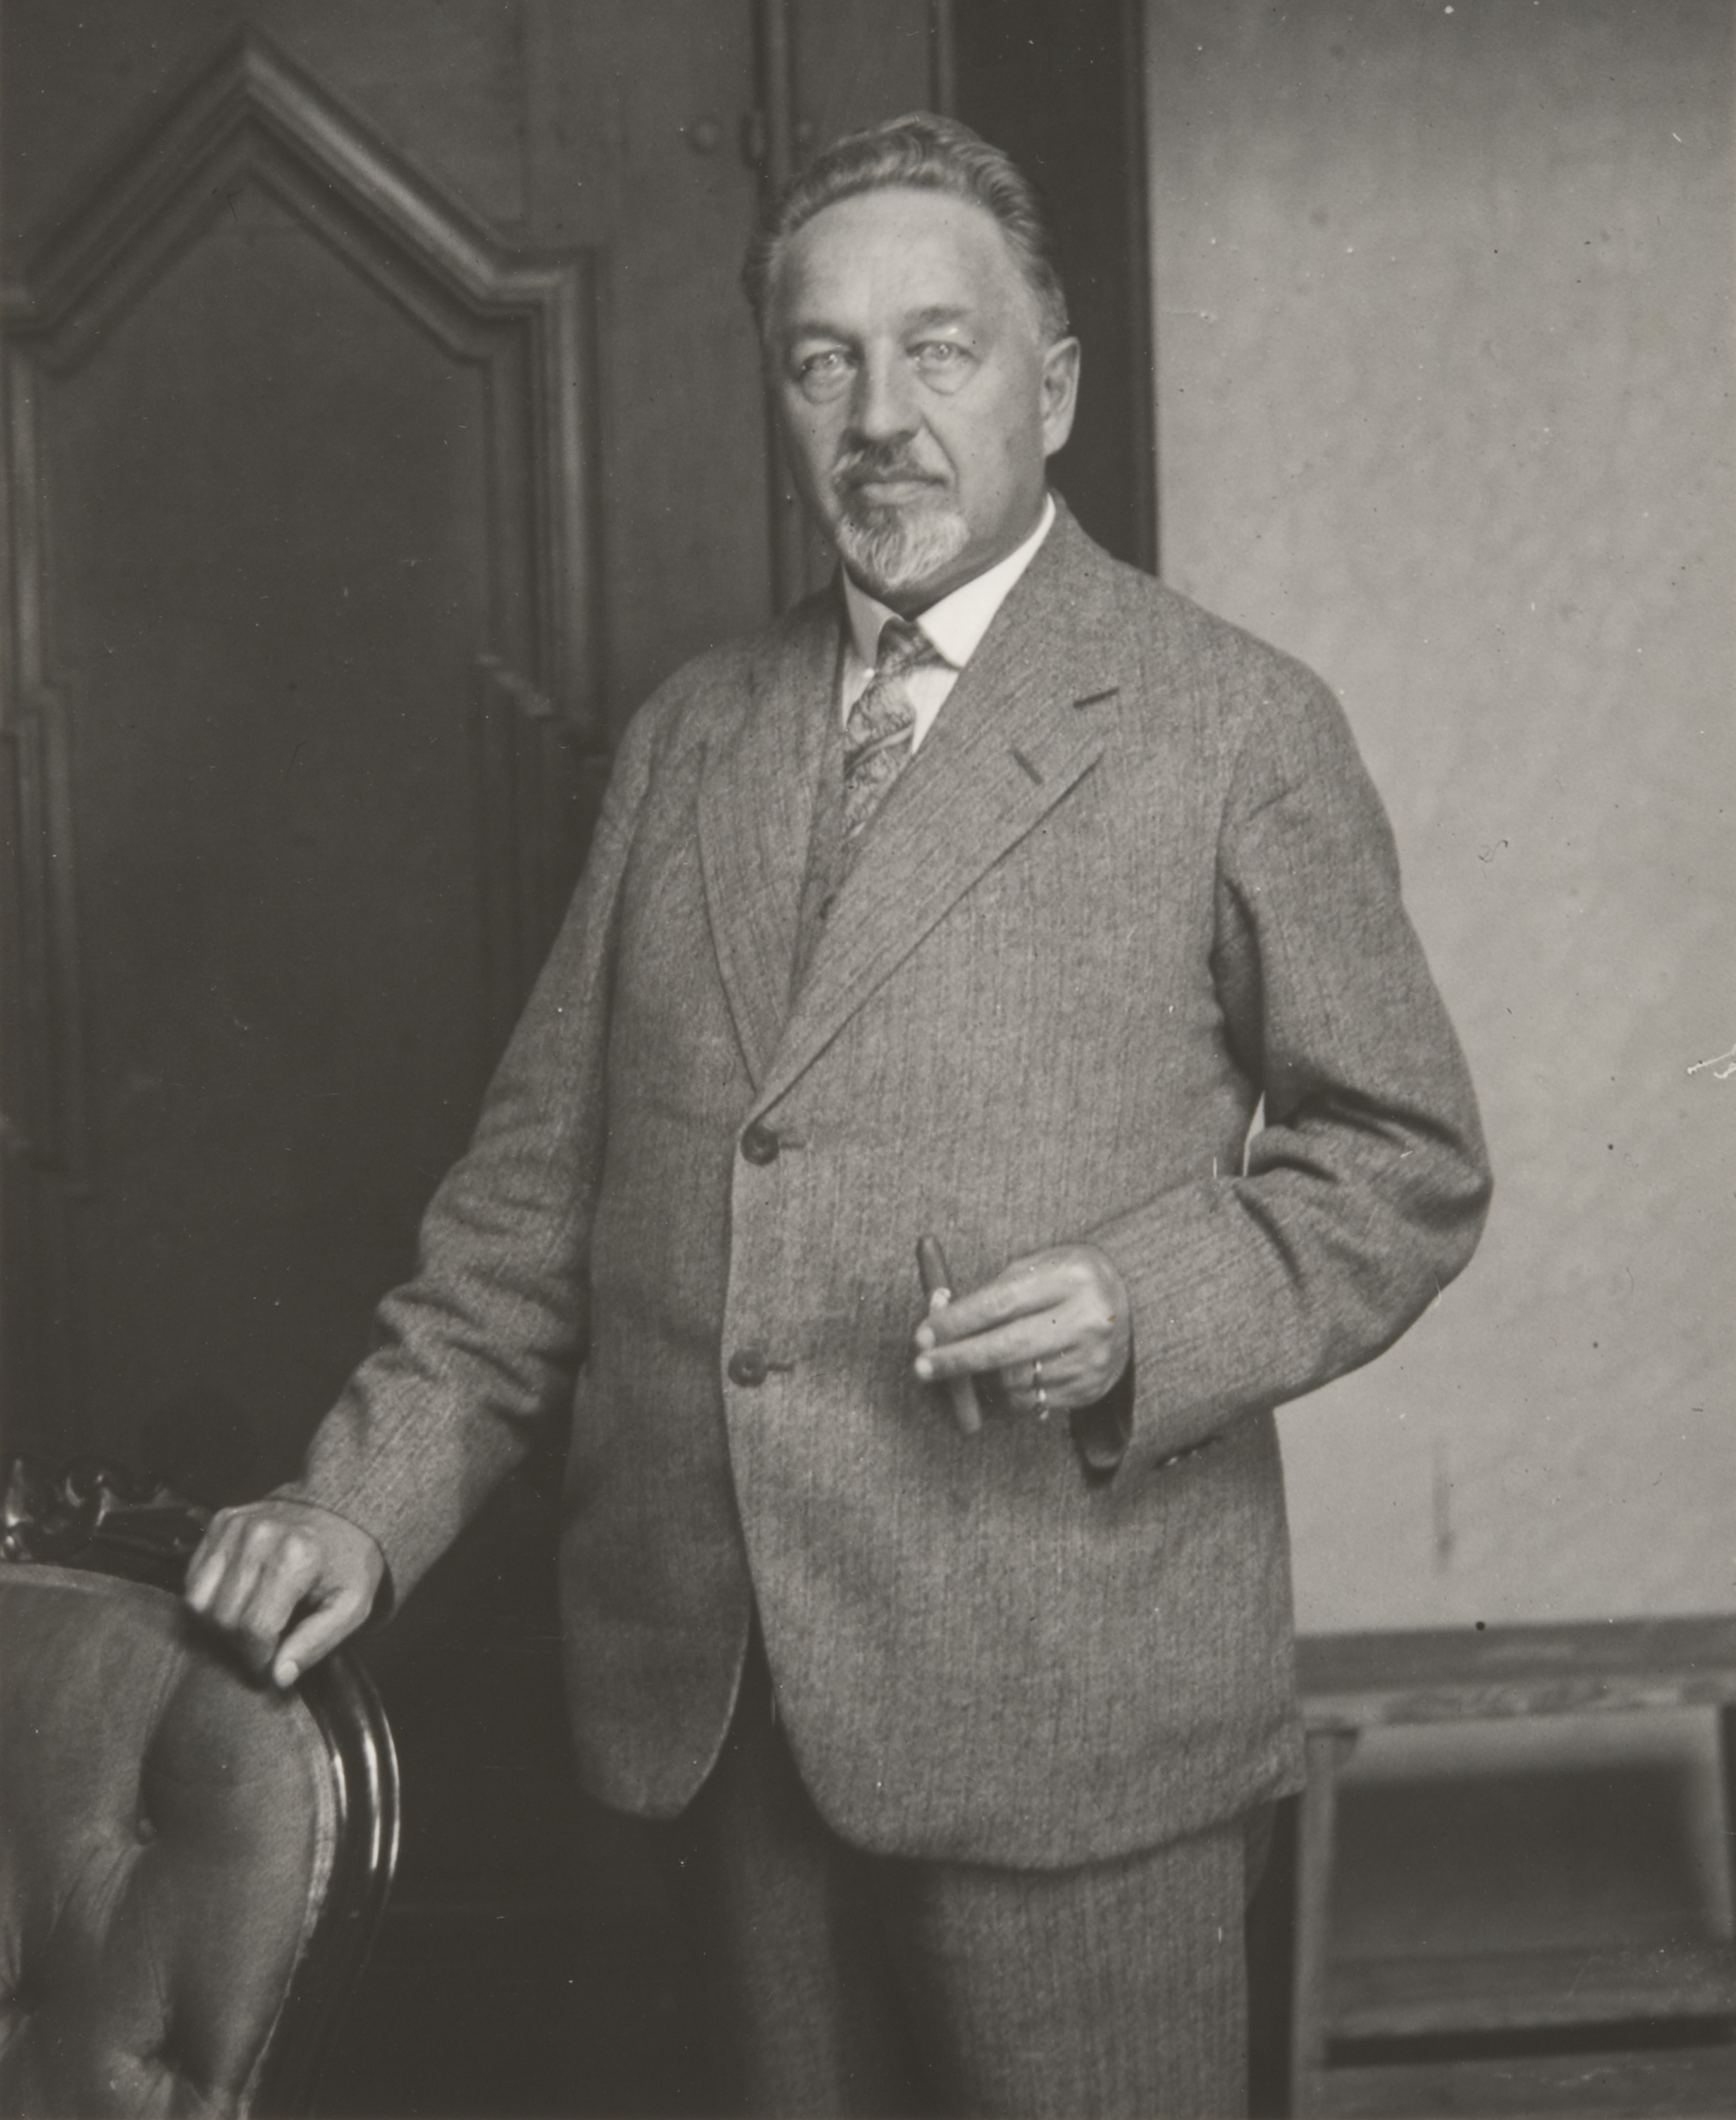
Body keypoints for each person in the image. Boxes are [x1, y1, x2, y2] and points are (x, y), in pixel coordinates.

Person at [186, 114, 1491, 2118]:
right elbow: (527, 1220)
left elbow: (1404, 1161)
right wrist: (354, 1501)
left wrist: (1145, 1306)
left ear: (1054, 388)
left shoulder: (1232, 723)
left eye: (938, 351)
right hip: (715, 1720)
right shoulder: (689, 737)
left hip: (1066, 1718)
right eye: (825, 363)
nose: (880, 417)